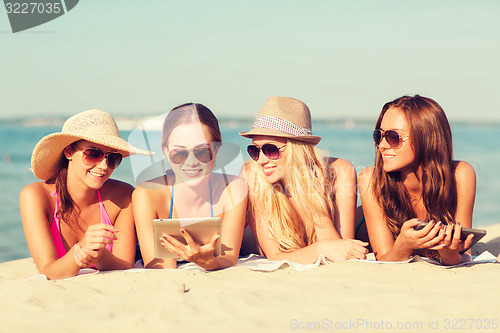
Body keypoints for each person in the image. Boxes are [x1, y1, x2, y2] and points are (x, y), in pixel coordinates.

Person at [20, 109, 154, 280]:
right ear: (69, 152)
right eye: (93, 154)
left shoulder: (123, 196)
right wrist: (82, 249)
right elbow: (48, 270)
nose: (104, 166)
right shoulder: (35, 196)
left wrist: (99, 256)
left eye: (112, 158)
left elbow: (125, 264)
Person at [240, 96, 368, 264]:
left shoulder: (340, 171)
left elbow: (342, 251)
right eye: (254, 150)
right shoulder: (254, 174)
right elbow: (275, 256)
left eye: (270, 149)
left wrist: (316, 206)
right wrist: (320, 248)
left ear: (297, 148)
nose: (261, 160)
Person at [358, 95, 476, 265]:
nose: (382, 145)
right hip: (358, 227)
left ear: (426, 139)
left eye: (392, 137)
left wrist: (449, 254)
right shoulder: (371, 179)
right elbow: (384, 259)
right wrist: (403, 245)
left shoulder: (460, 174)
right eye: (379, 135)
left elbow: (463, 254)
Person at [132, 103, 248, 270]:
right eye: (179, 153)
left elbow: (229, 257)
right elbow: (159, 268)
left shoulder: (232, 188)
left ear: (216, 151)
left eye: (202, 152)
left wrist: (208, 262)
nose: (192, 162)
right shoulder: (146, 194)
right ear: (166, 152)